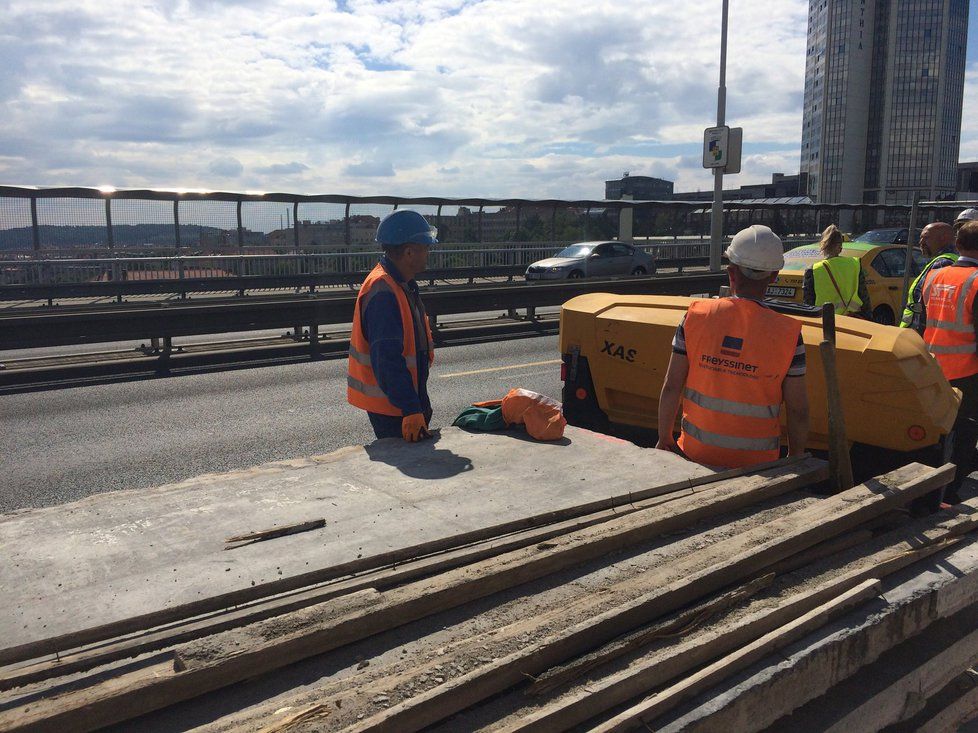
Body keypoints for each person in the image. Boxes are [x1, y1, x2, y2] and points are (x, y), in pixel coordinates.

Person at [656, 225, 809, 469]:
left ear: (731, 273)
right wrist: (795, 457)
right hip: (759, 466)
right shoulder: (789, 334)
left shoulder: (696, 317)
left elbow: (672, 385)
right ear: (773, 276)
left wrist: (664, 437)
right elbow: (798, 409)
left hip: (695, 456)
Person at [347, 210, 437, 442]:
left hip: (401, 403)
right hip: (393, 410)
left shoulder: (399, 283)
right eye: (425, 246)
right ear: (409, 252)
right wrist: (410, 408)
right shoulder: (384, 291)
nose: (428, 252)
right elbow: (387, 359)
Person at [920, 220, 978, 504]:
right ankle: (950, 491)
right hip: (967, 372)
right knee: (964, 432)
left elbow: (923, 319)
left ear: (957, 245)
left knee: (936, 430)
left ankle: (928, 485)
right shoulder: (977, 280)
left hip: (931, 367)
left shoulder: (934, 276)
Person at [803, 224, 871, 318]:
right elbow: (864, 298)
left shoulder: (813, 270)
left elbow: (808, 304)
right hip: (852, 319)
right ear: (840, 248)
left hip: (825, 320)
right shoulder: (854, 265)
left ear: (823, 246)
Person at [900, 221, 956, 332]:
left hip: (919, 334)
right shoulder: (949, 260)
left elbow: (931, 306)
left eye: (926, 238)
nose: (921, 242)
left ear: (943, 238)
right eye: (921, 238)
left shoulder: (942, 263)